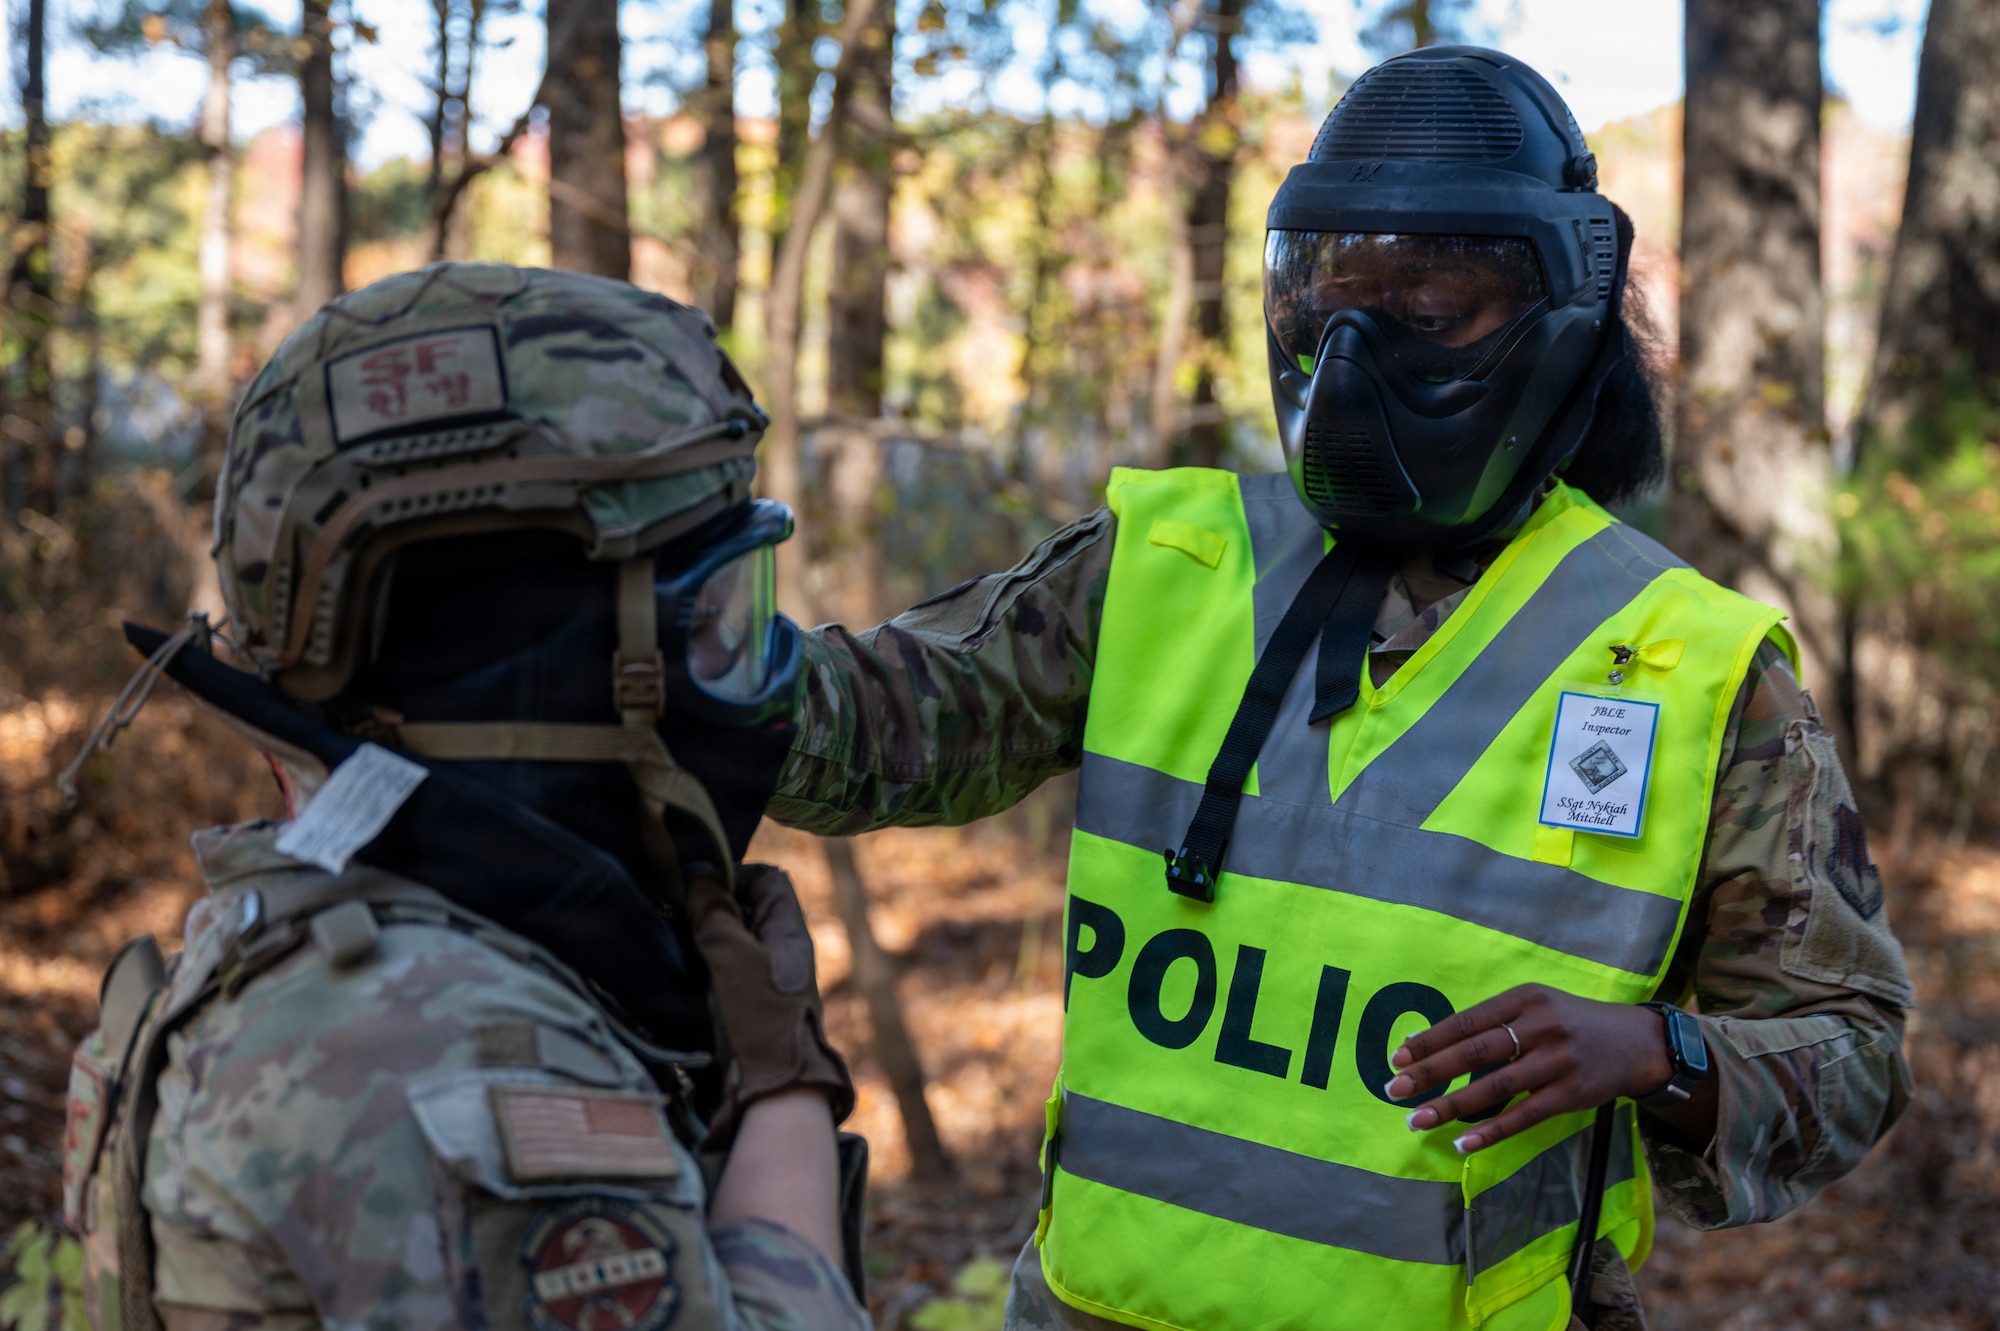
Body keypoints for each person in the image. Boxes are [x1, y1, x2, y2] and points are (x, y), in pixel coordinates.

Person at [768, 46, 1913, 1331]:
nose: (1361, 346)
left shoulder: (1687, 662)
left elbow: (1852, 1051)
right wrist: (661, 623)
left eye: (1432, 301)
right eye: (1335, 296)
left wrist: (1659, 1053)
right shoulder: (1165, 564)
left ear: (1559, 311)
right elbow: (866, 728)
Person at [58, 264, 869, 1331]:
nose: (743, 669)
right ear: (553, 654)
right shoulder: (455, 1063)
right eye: (712, 616)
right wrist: (784, 1086)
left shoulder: (328, 934)